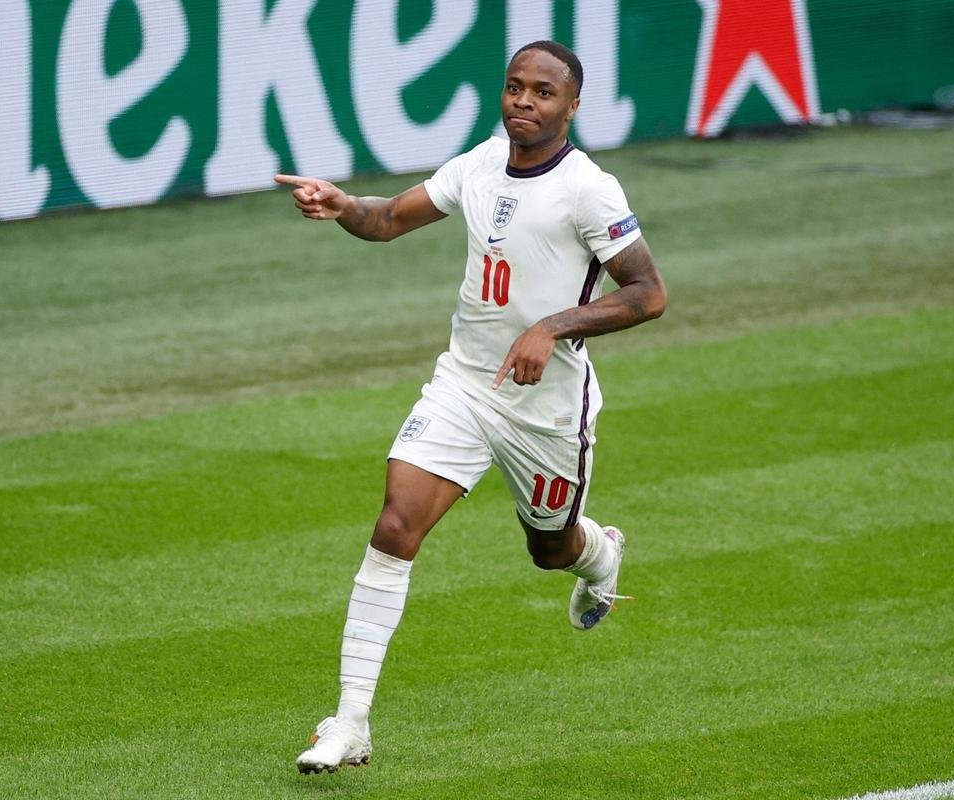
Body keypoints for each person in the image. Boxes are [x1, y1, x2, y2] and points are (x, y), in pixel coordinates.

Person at [275, 40, 667, 774]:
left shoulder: (590, 190)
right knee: (396, 523)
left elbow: (649, 294)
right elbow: (389, 218)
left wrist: (550, 328)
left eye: (543, 92)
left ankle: (600, 555)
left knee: (548, 550)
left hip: (545, 408)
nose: (524, 101)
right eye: (515, 87)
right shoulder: (481, 162)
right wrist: (342, 207)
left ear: (572, 106)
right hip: (463, 384)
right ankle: (350, 722)